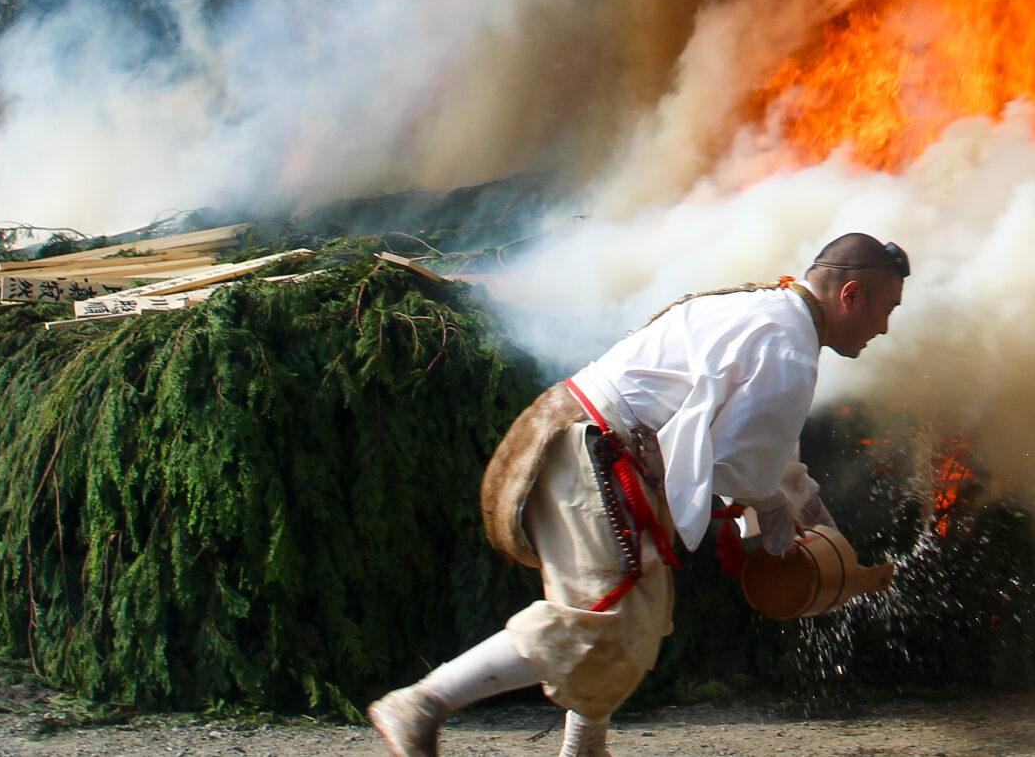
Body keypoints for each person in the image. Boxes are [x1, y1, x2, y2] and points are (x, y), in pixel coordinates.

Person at [365, 233, 910, 757]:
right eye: (886, 309)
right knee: (610, 616)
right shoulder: (788, 348)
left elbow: (772, 456)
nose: (885, 328)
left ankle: (585, 748)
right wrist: (771, 513)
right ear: (850, 295)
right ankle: (420, 703)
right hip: (599, 451)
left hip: (589, 439)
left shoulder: (763, 309)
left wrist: (813, 524)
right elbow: (739, 467)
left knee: (633, 610)